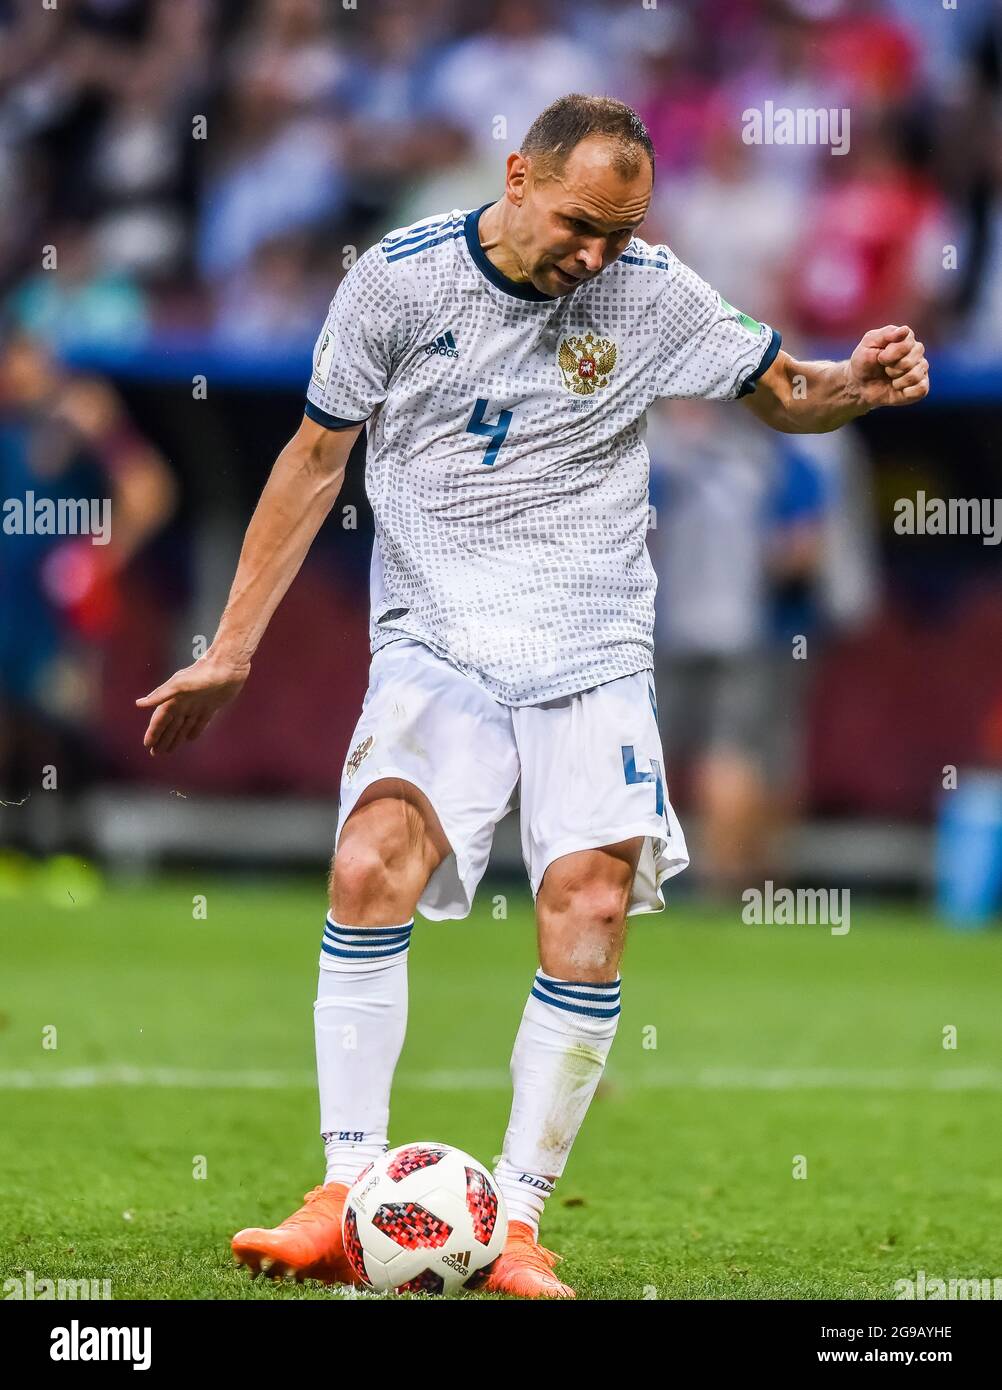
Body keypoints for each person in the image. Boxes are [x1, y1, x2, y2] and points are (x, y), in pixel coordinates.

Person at [136, 94, 930, 1298]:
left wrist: (854, 384)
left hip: (591, 640)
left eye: (620, 230)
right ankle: (345, 1189)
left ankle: (511, 1222)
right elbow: (311, 460)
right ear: (516, 176)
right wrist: (233, 645)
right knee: (368, 865)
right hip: (437, 630)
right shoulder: (397, 284)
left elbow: (780, 389)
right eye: (578, 223)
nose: (596, 254)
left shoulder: (650, 291)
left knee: (590, 908)